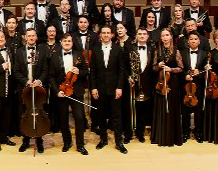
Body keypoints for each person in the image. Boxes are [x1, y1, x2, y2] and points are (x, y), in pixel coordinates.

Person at [48, 33, 89, 154]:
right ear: (61, 42)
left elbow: (86, 71)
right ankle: (67, 142)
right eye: (65, 41)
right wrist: (57, 91)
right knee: (63, 119)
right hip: (62, 92)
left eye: (69, 41)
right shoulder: (54, 56)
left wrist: (79, 71)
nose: (67, 43)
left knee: (79, 118)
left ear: (72, 43)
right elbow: (51, 77)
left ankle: (80, 145)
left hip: (76, 91)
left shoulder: (79, 55)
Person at [90, 25, 127, 153]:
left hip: (114, 89)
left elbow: (122, 71)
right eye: (103, 33)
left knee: (116, 116)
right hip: (100, 89)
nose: (106, 35)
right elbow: (93, 71)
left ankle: (118, 142)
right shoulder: (95, 49)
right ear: (100, 35)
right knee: (101, 115)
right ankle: (103, 139)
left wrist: (119, 87)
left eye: (108, 33)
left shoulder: (118, 49)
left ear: (112, 35)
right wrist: (93, 87)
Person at [14, 27, 49, 153]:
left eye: (33, 35)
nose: (31, 38)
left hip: (38, 89)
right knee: (25, 114)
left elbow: (45, 70)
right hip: (25, 88)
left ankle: (39, 140)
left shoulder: (42, 51)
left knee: (39, 113)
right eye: (29, 36)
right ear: (25, 37)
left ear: (36, 37)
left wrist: (39, 81)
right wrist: (26, 81)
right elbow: (16, 71)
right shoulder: (19, 52)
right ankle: (26, 139)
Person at [151, 28, 183, 147]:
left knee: (172, 108)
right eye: (163, 36)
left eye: (167, 35)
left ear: (171, 37)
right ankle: (160, 136)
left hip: (172, 83)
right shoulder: (157, 51)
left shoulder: (176, 51)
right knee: (161, 108)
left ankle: (172, 137)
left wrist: (171, 69)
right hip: (160, 82)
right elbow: (153, 68)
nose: (165, 37)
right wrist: (158, 66)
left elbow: (181, 68)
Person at [180, 31, 207, 143]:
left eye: (195, 39)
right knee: (185, 110)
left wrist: (199, 72)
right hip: (186, 86)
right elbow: (179, 68)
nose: (193, 41)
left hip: (199, 85)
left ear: (199, 41)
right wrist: (185, 75)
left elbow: (206, 70)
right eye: (191, 39)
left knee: (198, 110)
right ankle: (185, 132)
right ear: (188, 41)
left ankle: (198, 132)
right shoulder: (182, 53)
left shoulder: (205, 53)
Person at [128, 27, 153, 142]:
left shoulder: (152, 49)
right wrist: (129, 77)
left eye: (144, 34)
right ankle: (128, 133)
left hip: (147, 83)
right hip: (133, 82)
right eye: (140, 34)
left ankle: (140, 133)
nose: (142, 36)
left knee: (143, 110)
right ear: (136, 36)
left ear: (147, 36)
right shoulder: (130, 48)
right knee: (131, 109)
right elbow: (124, 64)